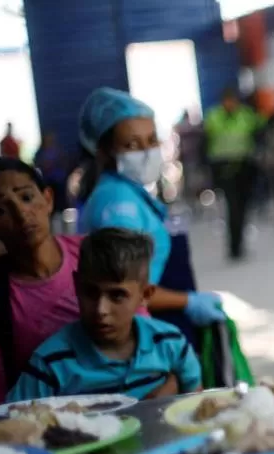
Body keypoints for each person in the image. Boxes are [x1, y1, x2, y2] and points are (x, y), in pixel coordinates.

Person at [78, 87, 224, 350]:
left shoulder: (129, 192)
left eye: (151, 140)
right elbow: (124, 290)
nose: (146, 152)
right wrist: (188, 301)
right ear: (104, 151)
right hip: (145, 333)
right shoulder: (118, 205)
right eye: (131, 144)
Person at [8, 228, 202, 402]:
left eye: (117, 295)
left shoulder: (170, 343)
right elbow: (13, 423)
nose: (101, 310)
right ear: (76, 285)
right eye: (90, 293)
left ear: (145, 295)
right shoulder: (50, 363)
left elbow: (196, 405)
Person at [0, 159, 84, 410]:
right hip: (41, 423)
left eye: (26, 197)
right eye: (0, 210)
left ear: (48, 199)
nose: (21, 213)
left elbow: (141, 336)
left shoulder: (90, 253)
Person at [204, 88, 267, 260]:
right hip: (224, 168)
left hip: (245, 168)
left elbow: (261, 132)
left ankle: (239, 243)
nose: (230, 104)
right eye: (227, 101)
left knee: (244, 207)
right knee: (233, 207)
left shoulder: (247, 115)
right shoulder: (213, 117)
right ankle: (234, 247)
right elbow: (205, 142)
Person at [33, 131, 69, 214]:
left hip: (59, 182)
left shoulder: (58, 151)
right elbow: (37, 164)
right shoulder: (40, 153)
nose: (50, 140)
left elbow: (64, 162)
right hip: (48, 182)